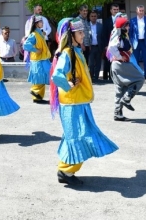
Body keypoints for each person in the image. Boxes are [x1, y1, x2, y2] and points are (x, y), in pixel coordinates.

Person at [50, 18, 118, 186]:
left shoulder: (75, 51)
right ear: (71, 35)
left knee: (77, 135)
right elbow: (57, 76)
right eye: (80, 32)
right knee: (78, 136)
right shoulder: (68, 53)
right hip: (72, 103)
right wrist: (69, 85)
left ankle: (65, 169)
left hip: (78, 101)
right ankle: (66, 170)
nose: (83, 35)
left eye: (83, 32)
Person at [107, 15, 145, 121]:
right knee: (140, 78)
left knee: (121, 88)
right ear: (122, 27)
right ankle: (127, 98)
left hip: (116, 65)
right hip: (120, 64)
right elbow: (111, 47)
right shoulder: (118, 35)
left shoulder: (121, 35)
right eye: (127, 25)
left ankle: (117, 113)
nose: (128, 27)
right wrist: (119, 56)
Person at [23, 16, 52, 104]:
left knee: (43, 77)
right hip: (37, 60)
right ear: (36, 24)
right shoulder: (33, 34)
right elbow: (26, 45)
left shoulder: (40, 33)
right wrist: (36, 50)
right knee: (39, 78)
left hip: (42, 59)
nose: (42, 23)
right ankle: (35, 93)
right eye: (40, 22)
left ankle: (38, 97)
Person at [129, 5, 146, 79]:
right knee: (136, 59)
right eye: (140, 10)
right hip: (136, 43)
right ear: (137, 11)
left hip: (145, 42)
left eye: (142, 10)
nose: (141, 12)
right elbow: (130, 33)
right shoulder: (132, 20)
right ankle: (137, 74)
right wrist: (130, 43)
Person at [101, 3, 121, 81]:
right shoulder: (106, 21)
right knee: (107, 63)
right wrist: (106, 45)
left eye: (117, 10)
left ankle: (116, 78)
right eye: (114, 10)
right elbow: (104, 34)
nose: (116, 11)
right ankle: (106, 78)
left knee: (117, 62)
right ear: (111, 11)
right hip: (109, 46)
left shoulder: (121, 20)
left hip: (118, 46)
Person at [86, 10, 103, 81]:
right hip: (90, 47)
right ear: (89, 17)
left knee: (98, 63)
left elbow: (103, 36)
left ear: (97, 17)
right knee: (91, 64)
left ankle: (96, 77)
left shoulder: (100, 26)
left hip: (98, 47)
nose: (93, 17)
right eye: (92, 16)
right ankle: (91, 77)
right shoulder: (86, 25)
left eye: (95, 16)